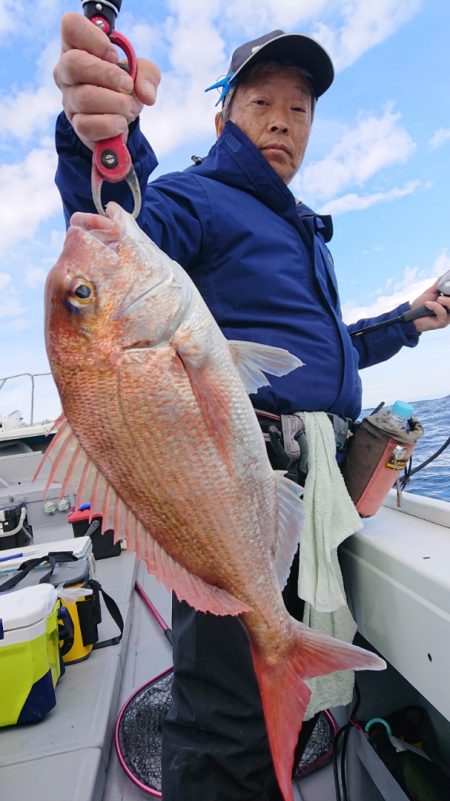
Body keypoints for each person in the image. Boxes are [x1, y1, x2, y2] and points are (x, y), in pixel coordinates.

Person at [53, 16, 450, 801]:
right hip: (228, 486)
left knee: (274, 708)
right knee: (225, 731)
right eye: (261, 102)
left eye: (299, 109)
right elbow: (124, 220)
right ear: (221, 120)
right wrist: (98, 137)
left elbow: (327, 352)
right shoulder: (196, 197)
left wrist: (409, 321)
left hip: (306, 493)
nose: (281, 121)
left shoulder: (300, 231)